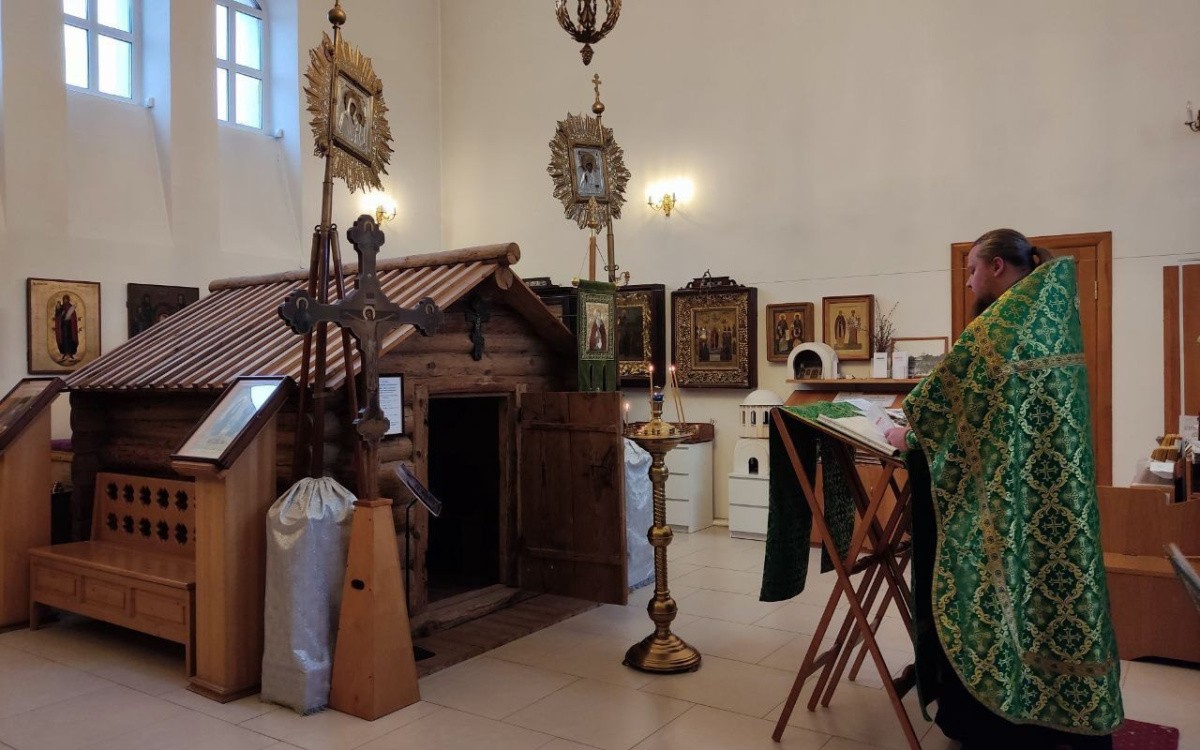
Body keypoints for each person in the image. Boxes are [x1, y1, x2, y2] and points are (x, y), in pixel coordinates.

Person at [886, 229, 1121, 749]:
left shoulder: (1003, 323)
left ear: (997, 266)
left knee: (996, 593)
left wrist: (911, 435)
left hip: (1006, 497)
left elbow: (947, 401)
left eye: (972, 269)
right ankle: (1062, 715)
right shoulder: (1049, 310)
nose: (969, 281)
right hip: (1051, 490)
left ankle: (999, 723)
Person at [53, 294, 80, 364]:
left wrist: (69, 318)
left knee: (70, 340)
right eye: (64, 300)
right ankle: (64, 353)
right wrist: (58, 309)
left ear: (68, 300)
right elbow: (58, 316)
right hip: (62, 328)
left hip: (70, 328)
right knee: (64, 340)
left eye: (66, 299)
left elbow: (74, 318)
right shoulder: (61, 307)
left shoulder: (71, 307)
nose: (65, 301)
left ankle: (70, 354)